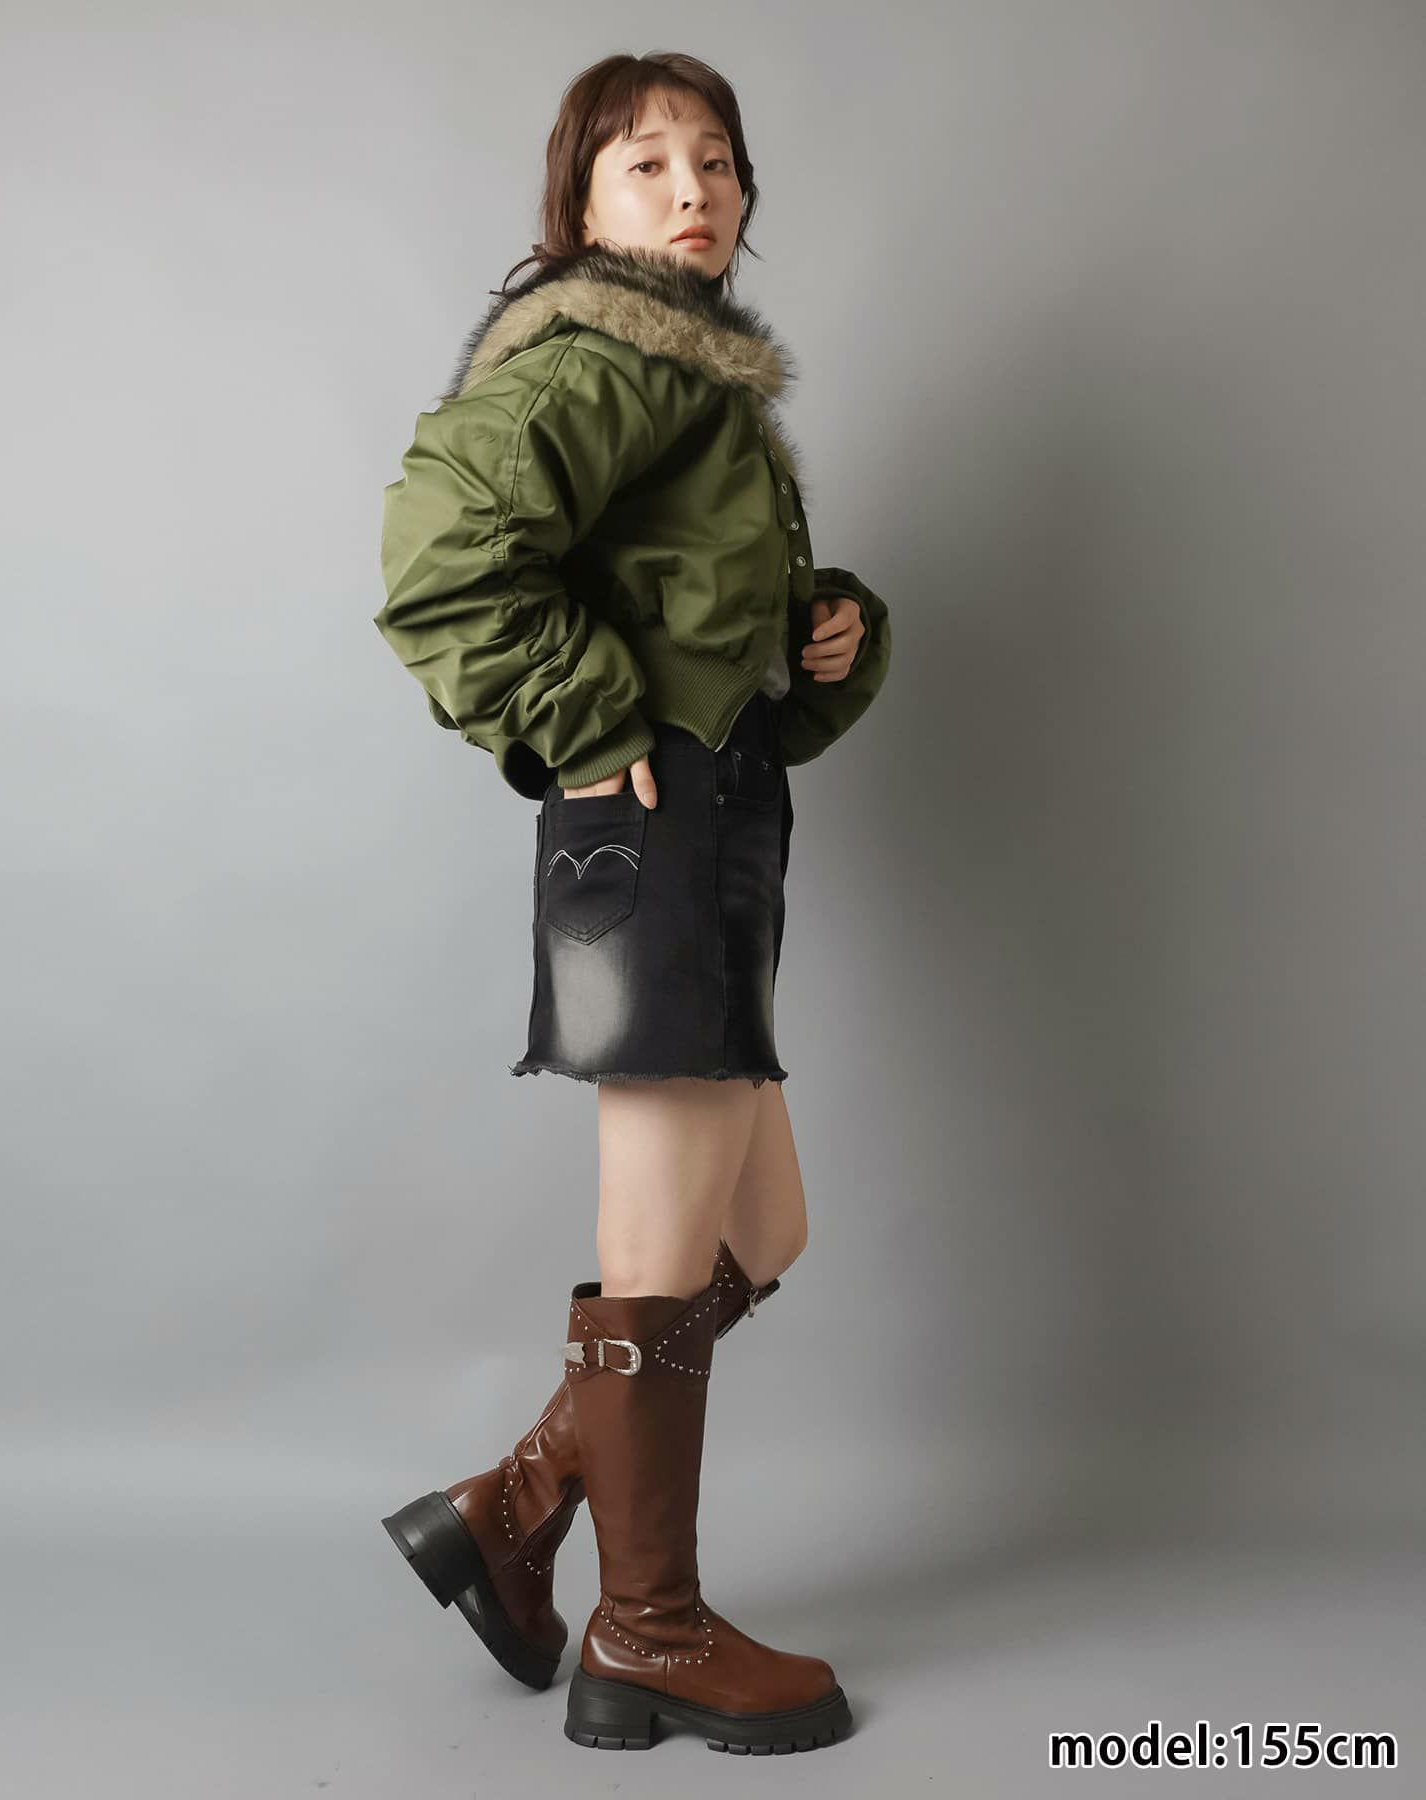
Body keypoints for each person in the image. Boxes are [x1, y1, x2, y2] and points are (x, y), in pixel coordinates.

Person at [373, 51, 891, 1755]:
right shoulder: (606, 360)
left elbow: (684, 612)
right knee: (661, 1260)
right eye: (648, 163)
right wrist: (589, 721)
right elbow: (442, 559)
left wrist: (822, 632)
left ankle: (515, 1509)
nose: (694, 190)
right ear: (580, 206)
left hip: (718, 826)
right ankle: (646, 1632)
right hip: (655, 839)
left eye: (717, 160)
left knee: (764, 1234)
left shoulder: (692, 378)